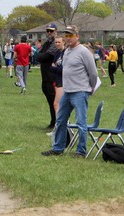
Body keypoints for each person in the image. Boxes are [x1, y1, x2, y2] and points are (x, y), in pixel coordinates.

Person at [41, 25, 98, 157]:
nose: (68, 38)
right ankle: (58, 148)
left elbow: (93, 73)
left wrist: (91, 87)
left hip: (80, 91)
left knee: (80, 122)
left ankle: (81, 151)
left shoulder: (84, 52)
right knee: (60, 120)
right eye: (66, 35)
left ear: (77, 36)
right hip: (67, 91)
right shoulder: (66, 51)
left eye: (70, 35)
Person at [37, 23, 58, 130]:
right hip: (45, 77)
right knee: (50, 101)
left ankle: (57, 123)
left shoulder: (56, 43)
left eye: (51, 30)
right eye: (48, 31)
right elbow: (38, 56)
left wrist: (41, 55)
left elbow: (45, 56)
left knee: (55, 102)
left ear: (56, 31)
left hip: (52, 77)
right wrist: (41, 55)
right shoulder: (47, 43)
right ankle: (52, 122)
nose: (49, 33)